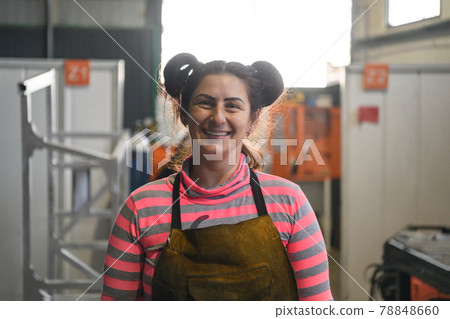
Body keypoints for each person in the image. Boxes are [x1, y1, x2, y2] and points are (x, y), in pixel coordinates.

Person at [101, 53, 333, 301]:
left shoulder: (289, 202)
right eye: (205, 103)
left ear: (252, 120)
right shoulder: (142, 207)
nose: (218, 117)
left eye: (232, 105)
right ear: (183, 114)